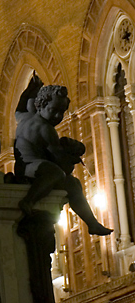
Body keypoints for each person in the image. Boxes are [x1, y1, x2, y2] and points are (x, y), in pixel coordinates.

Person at [14, 77, 112, 236]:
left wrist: (29, 90)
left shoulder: (25, 117)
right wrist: (72, 156)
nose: (57, 116)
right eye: (54, 110)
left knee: (73, 184)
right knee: (56, 173)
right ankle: (28, 201)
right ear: (43, 105)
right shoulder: (46, 130)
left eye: (62, 112)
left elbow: (19, 107)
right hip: (29, 167)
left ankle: (92, 223)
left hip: (31, 165)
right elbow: (61, 164)